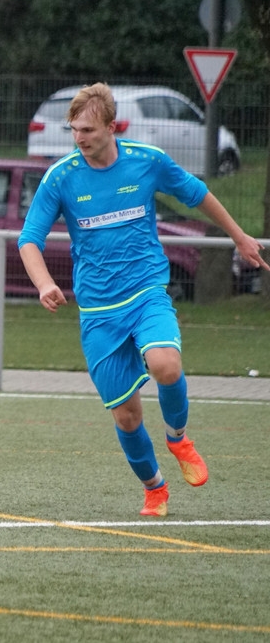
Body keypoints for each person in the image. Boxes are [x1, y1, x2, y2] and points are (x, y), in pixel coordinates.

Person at [18, 82, 269, 517]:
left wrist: (239, 236)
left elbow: (198, 194)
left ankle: (178, 438)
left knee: (165, 364)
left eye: (88, 130)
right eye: (74, 129)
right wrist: (43, 284)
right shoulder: (60, 176)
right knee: (126, 416)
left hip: (146, 291)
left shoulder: (147, 161)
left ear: (112, 127)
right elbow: (29, 239)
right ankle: (155, 488)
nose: (79, 138)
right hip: (98, 311)